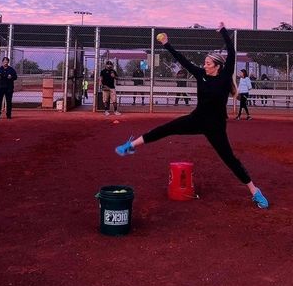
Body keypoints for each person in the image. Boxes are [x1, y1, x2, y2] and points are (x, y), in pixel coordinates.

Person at [115, 23, 269, 209]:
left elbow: (231, 51)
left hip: (216, 126)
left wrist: (223, 31)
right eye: (204, 63)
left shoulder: (225, 75)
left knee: (230, 160)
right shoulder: (200, 74)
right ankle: (130, 145)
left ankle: (255, 192)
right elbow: (182, 61)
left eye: (208, 64)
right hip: (196, 119)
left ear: (217, 66)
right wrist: (167, 44)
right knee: (166, 129)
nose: (204, 66)